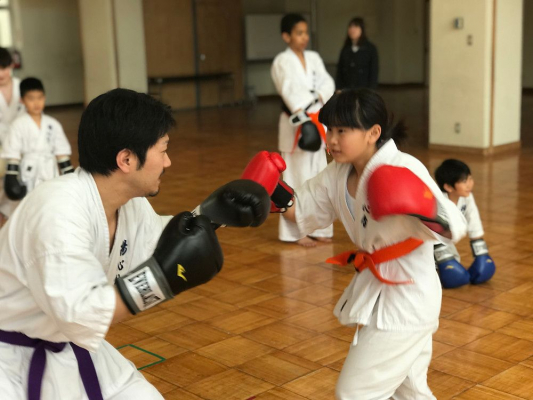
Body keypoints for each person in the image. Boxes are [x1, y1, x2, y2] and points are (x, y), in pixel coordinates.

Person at [0, 88, 272, 399]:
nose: (168, 162)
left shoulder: (128, 203)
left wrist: (211, 216)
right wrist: (159, 280)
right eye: (163, 150)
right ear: (127, 159)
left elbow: (160, 241)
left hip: (72, 349)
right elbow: (80, 314)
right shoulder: (57, 213)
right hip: (11, 361)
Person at [282, 89, 466, 399]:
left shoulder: (402, 167)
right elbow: (300, 209)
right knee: (410, 393)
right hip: (379, 292)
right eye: (329, 129)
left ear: (373, 133)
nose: (332, 140)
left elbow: (454, 224)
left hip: (408, 301)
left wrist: (420, 205)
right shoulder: (337, 173)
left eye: (342, 130)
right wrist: (269, 193)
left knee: (354, 393)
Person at [271, 13, 335, 247]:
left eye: (306, 33)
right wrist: (310, 100)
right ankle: (296, 232)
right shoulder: (282, 61)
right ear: (286, 36)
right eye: (299, 33)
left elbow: (328, 83)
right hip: (297, 124)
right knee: (296, 179)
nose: (304, 37)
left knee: (320, 177)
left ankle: (320, 228)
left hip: (318, 121)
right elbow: (289, 91)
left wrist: (316, 95)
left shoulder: (314, 58)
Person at [1, 77, 74, 218]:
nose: (36, 103)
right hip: (28, 173)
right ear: (22, 100)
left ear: (44, 97)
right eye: (31, 98)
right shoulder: (18, 125)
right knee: (27, 209)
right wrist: (11, 178)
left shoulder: (53, 124)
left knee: (52, 206)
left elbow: (62, 154)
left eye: (40, 98)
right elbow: (13, 155)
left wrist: (70, 174)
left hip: (49, 170)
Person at [434, 159, 496, 288]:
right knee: (446, 269)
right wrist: (442, 259)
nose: (469, 184)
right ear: (448, 187)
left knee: (454, 261)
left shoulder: (466, 196)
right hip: (425, 243)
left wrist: (481, 253)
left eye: (470, 179)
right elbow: (431, 232)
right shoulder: (437, 202)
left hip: (445, 240)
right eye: (464, 181)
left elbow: (473, 219)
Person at [0, 47, 25, 224]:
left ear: (11, 66)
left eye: (4, 68)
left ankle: (23, 209)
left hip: (22, 141)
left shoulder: (22, 86)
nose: (1, 73)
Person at [335, 17, 379, 91]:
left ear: (362, 29)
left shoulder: (370, 48)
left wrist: (371, 90)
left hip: (363, 89)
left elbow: (374, 72)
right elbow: (340, 70)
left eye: (356, 26)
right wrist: (338, 88)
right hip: (347, 89)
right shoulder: (346, 49)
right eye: (350, 27)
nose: (352, 30)